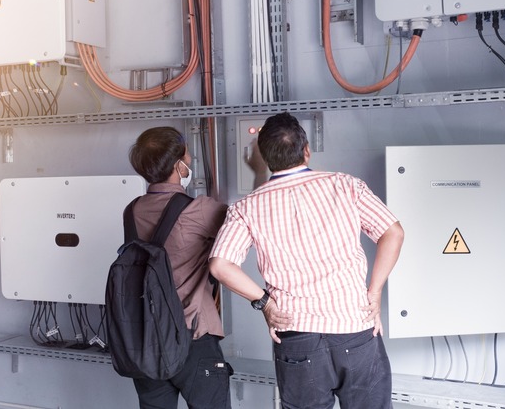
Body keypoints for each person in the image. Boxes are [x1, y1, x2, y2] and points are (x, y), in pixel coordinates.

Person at [208, 112, 405, 409]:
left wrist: (265, 303)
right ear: (306, 150)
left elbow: (220, 266)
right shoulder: (345, 186)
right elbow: (394, 233)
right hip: (354, 327)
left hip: (296, 337)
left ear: (262, 157)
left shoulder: (246, 208)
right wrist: (374, 292)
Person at [128, 126, 231, 409]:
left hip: (147, 341)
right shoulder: (198, 210)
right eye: (188, 157)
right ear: (178, 166)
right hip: (193, 339)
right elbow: (246, 219)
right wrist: (258, 171)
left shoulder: (132, 210)